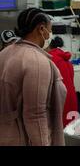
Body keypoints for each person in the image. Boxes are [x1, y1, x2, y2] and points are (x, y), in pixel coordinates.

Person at [0, 8, 66, 146]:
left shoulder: (5, 53)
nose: (50, 35)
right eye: (50, 30)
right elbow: (35, 115)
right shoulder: (36, 61)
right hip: (22, 139)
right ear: (41, 29)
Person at [47, 36, 79, 127]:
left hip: (59, 100)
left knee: (58, 131)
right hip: (71, 98)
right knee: (71, 129)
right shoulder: (66, 60)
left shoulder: (50, 60)